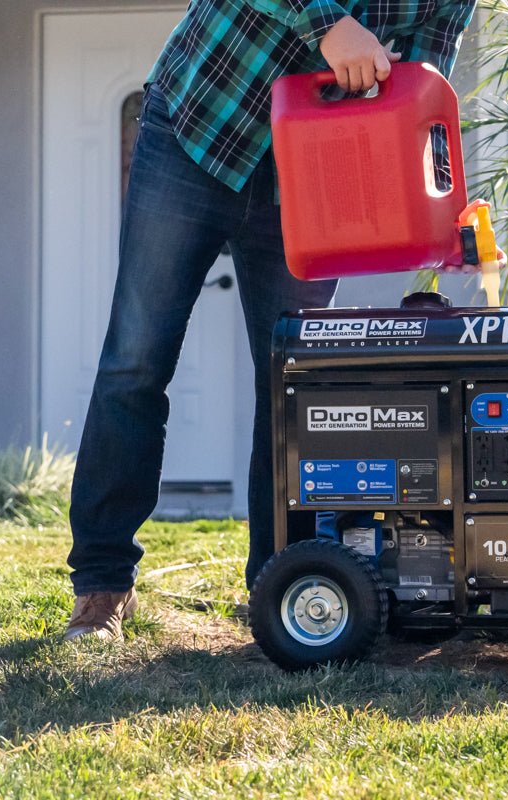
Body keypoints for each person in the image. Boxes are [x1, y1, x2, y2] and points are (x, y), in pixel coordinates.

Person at [64, 0, 478, 641]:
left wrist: (433, 213)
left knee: (290, 389)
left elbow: (417, 89)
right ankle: (102, 585)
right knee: (135, 362)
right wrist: (330, 26)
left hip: (312, 176)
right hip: (200, 128)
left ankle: (277, 589)